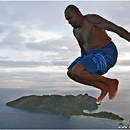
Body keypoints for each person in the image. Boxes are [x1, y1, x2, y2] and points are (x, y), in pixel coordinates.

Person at [64, 4, 130, 104]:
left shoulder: (91, 19)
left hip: (106, 51)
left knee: (77, 71)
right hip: (90, 54)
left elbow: (115, 28)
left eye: (70, 18)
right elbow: (82, 47)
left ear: (78, 12)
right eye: (67, 20)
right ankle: (103, 87)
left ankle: (111, 82)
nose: (69, 22)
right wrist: (83, 61)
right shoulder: (75, 31)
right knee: (71, 73)